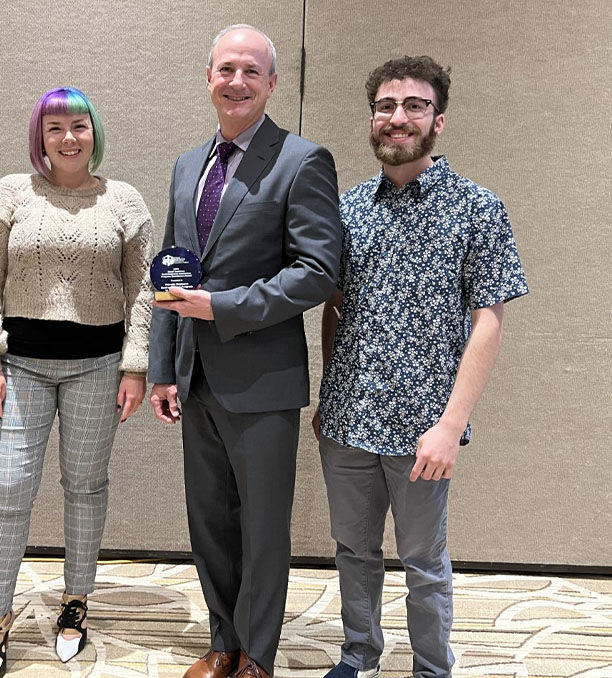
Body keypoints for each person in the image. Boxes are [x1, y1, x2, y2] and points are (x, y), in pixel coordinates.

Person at [313, 56, 529, 678]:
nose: (397, 117)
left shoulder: (477, 207)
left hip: (424, 429)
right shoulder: (347, 209)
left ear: (439, 121)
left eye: (414, 106)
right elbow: (335, 309)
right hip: (349, 420)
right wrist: (330, 397)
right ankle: (359, 656)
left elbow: (488, 322)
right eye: (385, 105)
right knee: (354, 551)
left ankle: (433, 668)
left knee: (423, 563)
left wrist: (452, 423)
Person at [148, 25, 342, 678]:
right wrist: (162, 369)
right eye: (226, 68)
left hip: (262, 380)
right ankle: (223, 642)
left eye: (251, 71)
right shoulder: (186, 165)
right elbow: (169, 275)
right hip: (193, 379)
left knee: (261, 530)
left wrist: (223, 308)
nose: (237, 81)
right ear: (209, 77)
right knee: (209, 525)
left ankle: (257, 655)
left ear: (272, 84)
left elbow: (317, 271)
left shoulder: (301, 161)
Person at [0, 86, 154, 676]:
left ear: (95, 132)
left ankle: (76, 601)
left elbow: (145, 289)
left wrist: (135, 365)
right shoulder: (10, 194)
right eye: (54, 128)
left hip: (98, 367)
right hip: (20, 365)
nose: (68, 138)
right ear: (39, 137)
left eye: (79, 125)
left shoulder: (124, 201)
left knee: (86, 485)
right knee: (6, 489)